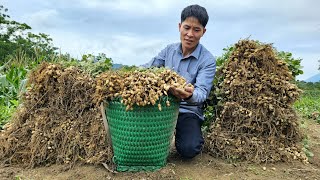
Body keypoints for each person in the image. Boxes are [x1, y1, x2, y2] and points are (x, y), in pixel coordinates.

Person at [142, 4, 216, 159]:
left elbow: (201, 93)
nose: (190, 34)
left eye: (196, 30)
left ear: (203, 32)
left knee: (189, 149)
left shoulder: (207, 60)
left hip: (187, 110)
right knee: (141, 140)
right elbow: (148, 68)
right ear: (179, 26)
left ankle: (185, 133)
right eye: (187, 28)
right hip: (161, 106)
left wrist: (188, 95)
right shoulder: (169, 50)